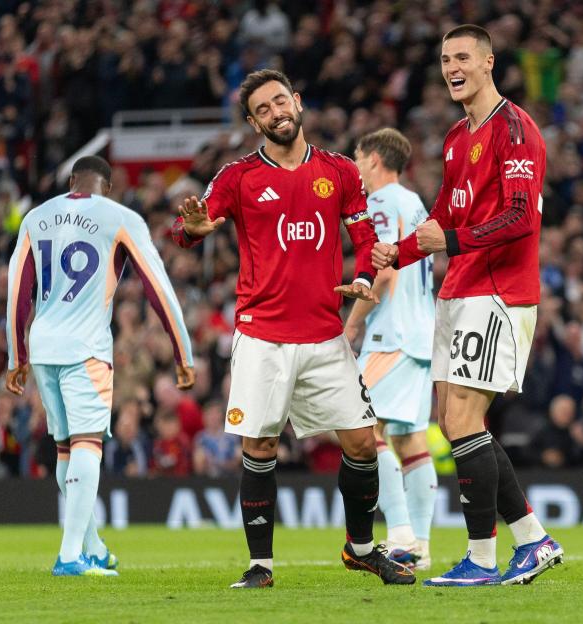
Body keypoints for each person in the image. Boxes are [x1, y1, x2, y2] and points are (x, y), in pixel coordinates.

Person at [172, 69, 414, 588]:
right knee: (259, 448)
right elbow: (192, 226)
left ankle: (362, 548)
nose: (276, 112)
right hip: (262, 336)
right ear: (252, 122)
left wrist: (365, 278)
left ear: (298, 102)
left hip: (325, 336)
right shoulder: (238, 177)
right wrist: (189, 230)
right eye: (263, 109)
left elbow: (366, 236)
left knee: (362, 443)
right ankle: (261, 566)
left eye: (281, 100)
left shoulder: (341, 171)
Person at [373, 25, 563, 587]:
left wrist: (448, 244)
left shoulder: (516, 129)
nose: (451, 67)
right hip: (459, 289)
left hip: (500, 293)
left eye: (462, 57)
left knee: (461, 421)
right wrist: (394, 256)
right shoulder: (457, 136)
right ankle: (532, 540)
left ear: (488, 63)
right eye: (444, 59)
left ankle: (482, 559)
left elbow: (522, 216)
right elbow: (442, 218)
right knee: (458, 423)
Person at [6, 155, 196, 577]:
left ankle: (92, 546)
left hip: (43, 347)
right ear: (108, 188)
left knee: (64, 448)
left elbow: (17, 289)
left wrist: (15, 355)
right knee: (88, 443)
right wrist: (183, 352)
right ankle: (71, 555)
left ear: (71, 180)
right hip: (86, 346)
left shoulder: (36, 217)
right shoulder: (120, 217)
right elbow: (158, 287)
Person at [345, 128, 437, 570]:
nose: (356, 167)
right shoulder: (415, 204)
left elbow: (382, 270)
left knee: (365, 430)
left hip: (392, 335)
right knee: (409, 439)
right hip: (421, 333)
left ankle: (400, 535)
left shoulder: (380, 204)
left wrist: (351, 327)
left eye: (358, 159)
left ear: (375, 161)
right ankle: (419, 543)